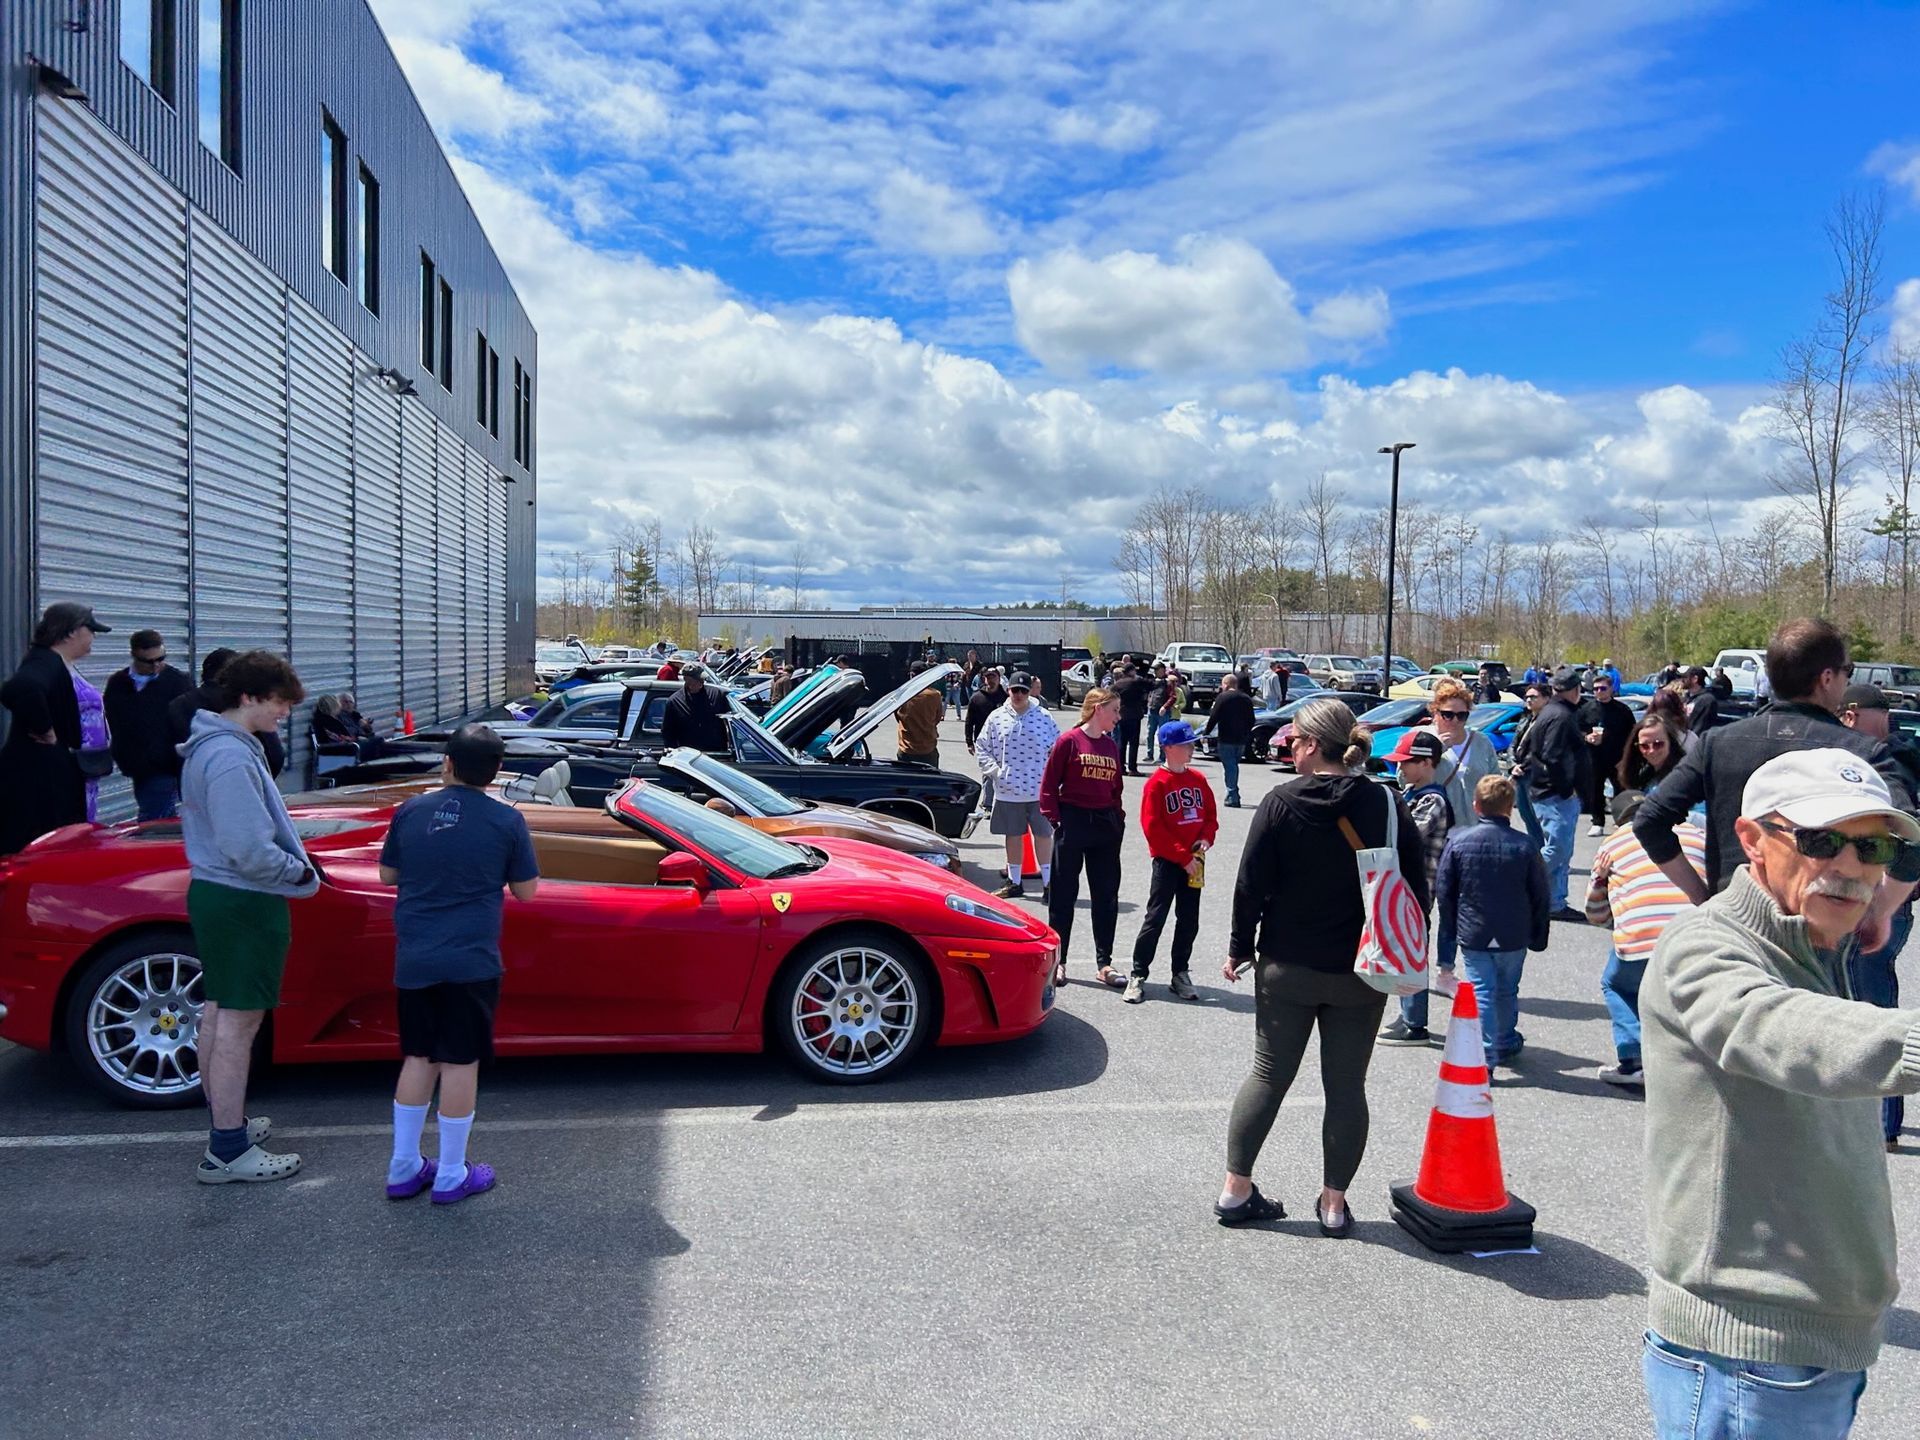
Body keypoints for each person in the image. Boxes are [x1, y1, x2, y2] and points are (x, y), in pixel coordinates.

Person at [1640, 749, 1920, 1437]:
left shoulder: (1817, 944)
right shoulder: (1706, 947)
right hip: (1748, 1352)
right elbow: (1774, 1027)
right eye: (1822, 841)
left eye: (1873, 848)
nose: (1851, 866)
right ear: (1751, 840)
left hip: (1812, 1342)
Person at [1215, 697, 1425, 1236]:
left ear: (1312, 744)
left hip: (1287, 964)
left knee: (1268, 1075)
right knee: (1347, 1086)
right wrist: (1408, 941)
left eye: (1294, 739)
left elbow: (1250, 885)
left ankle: (1235, 1191)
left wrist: (1239, 947)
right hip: (1362, 967)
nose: (1290, 747)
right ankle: (1334, 1205)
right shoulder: (1385, 801)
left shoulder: (1279, 802)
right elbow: (1416, 883)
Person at [1635, 619, 1920, 944]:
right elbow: (1912, 840)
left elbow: (1649, 820)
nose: (1847, 681)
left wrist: (1702, 897)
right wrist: (1879, 910)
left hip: (1738, 924)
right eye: (1848, 671)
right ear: (1827, 678)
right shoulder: (1863, 752)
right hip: (1825, 931)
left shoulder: (1717, 743)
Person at [378, 724, 539, 1206]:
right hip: (471, 960)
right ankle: (451, 1173)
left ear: (447, 763)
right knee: (460, 1061)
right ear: (496, 771)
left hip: (415, 956)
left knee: (419, 1057)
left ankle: (404, 1166)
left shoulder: (411, 811)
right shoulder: (507, 821)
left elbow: (388, 874)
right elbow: (527, 891)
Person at [180, 651, 318, 1184]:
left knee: (219, 1013)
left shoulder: (212, 746)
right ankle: (227, 1150)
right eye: (279, 702)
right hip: (243, 898)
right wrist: (298, 872)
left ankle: (227, 1122)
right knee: (240, 1023)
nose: (285, 712)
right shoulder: (231, 757)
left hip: (219, 893)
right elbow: (246, 847)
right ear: (248, 697)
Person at [1840, 682, 1917, 1151]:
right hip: (1883, 897)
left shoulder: (1885, 762)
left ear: (1854, 714)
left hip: (1880, 897)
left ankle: (1880, 1123)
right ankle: (1874, 1121)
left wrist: (1883, 905)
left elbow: (1908, 834)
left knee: (1868, 1007)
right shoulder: (1898, 754)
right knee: (1866, 1002)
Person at [1584, 789, 1704, 1086]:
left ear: (1618, 821)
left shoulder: (1614, 843)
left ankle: (1634, 1060)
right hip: (1699, 935)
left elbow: (1596, 913)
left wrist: (1607, 896)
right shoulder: (1695, 834)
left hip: (1642, 942)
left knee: (1617, 984)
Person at [1433, 775, 1550, 1071]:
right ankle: (1505, 1039)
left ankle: (1486, 1051)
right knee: (1507, 990)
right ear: (1510, 807)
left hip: (1474, 930)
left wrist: (1450, 928)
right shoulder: (1525, 845)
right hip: (1514, 932)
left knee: (1482, 990)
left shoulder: (1459, 842)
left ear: (1476, 806)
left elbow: (1445, 891)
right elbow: (1540, 894)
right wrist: (1539, 934)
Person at [0, 602, 108, 854]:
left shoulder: (58, 663)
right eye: (90, 630)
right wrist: (46, 730)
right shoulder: (45, 661)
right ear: (71, 632)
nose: (93, 637)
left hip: (60, 777)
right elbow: (21, 688)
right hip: (40, 785)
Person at [1040, 688, 1126, 989]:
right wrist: (1056, 819)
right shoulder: (1070, 741)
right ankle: (1059, 961)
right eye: (1114, 710)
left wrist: (1118, 820)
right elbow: (1049, 785)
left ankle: (1105, 963)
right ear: (1098, 709)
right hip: (1073, 821)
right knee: (1064, 895)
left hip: (1104, 824)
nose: (1118, 716)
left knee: (1106, 895)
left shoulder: (1111, 745)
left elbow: (1116, 788)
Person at [1125, 719, 1216, 1003]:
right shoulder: (1157, 784)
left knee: (1189, 920)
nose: (1191, 748)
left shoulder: (1198, 779)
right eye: (1186, 744)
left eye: (1191, 744)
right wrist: (1181, 856)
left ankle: (1180, 973)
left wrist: (1206, 838)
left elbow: (1210, 817)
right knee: (1156, 917)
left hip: (1194, 861)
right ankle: (1138, 974)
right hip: (1168, 862)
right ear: (1168, 748)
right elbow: (1153, 828)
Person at [1378, 729, 1458, 1047]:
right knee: (1401, 952)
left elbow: (1406, 836)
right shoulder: (1412, 792)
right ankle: (1407, 1013)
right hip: (1402, 887)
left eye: (1406, 762)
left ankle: (1415, 1024)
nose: (1400, 768)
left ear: (1426, 763)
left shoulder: (1432, 800)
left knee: (1411, 954)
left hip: (1416, 890)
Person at [975, 673, 1059, 908]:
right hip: (1008, 790)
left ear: (1030, 691)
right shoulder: (996, 717)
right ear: (1008, 690)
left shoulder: (1044, 717)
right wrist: (995, 772)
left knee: (1043, 835)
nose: (1019, 695)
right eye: (1015, 690)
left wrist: (1055, 779)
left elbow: (1058, 748)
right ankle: (1014, 881)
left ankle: (1049, 884)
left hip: (1038, 790)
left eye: (1024, 690)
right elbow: (982, 747)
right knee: (1013, 835)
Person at [104, 629, 193, 821]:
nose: (156, 666)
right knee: (160, 818)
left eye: (160, 659)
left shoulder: (177, 682)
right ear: (134, 656)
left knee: (154, 819)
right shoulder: (118, 683)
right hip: (137, 766)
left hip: (165, 766)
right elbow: (114, 720)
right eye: (149, 661)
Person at [1528, 668, 1591, 919]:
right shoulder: (1560, 716)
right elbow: (1551, 756)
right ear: (1575, 690)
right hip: (1553, 793)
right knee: (1557, 849)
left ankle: (1555, 903)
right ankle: (1518, 885)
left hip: (1550, 792)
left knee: (1562, 851)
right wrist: (1566, 788)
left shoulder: (1552, 712)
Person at [172, 649, 286, 778]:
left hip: (192, 777)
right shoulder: (244, 701)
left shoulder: (180, 704)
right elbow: (275, 753)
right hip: (244, 776)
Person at [1430, 676, 1499, 831]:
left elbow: (1495, 781)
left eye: (1462, 716)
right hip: (1436, 829)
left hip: (1476, 829)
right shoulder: (1422, 738)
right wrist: (1438, 748)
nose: (1455, 720)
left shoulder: (1481, 741)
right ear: (1435, 713)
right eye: (1448, 715)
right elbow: (1404, 779)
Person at [1578, 673, 1636, 837]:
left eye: (1603, 688)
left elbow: (1632, 734)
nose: (1599, 692)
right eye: (1595, 689)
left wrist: (1627, 757)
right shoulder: (1586, 709)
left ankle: (1621, 821)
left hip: (1617, 757)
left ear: (1611, 689)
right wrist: (1587, 737)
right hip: (1594, 757)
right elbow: (1576, 730)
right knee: (1595, 790)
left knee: (1621, 789)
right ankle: (1597, 822)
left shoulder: (1622, 710)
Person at [1200, 672, 1255, 807]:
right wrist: (1246, 733)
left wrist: (1206, 733)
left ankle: (1233, 795)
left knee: (1230, 766)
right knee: (1233, 765)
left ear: (1226, 684)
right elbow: (1252, 720)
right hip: (1241, 739)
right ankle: (1232, 792)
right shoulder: (1246, 698)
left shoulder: (1222, 698)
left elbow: (1214, 717)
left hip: (1226, 737)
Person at [1505, 682, 1547, 847]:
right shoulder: (1525, 719)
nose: (1529, 700)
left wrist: (1522, 767)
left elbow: (1541, 749)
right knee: (1525, 813)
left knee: (1537, 815)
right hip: (1519, 774)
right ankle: (1535, 847)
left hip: (1534, 774)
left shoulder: (1548, 721)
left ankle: (1542, 851)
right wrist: (1512, 764)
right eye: (1527, 697)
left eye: (1534, 697)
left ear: (1546, 698)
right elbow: (1513, 745)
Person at [659, 666, 729, 752]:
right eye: (697, 680)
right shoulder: (674, 701)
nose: (701, 682)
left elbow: (727, 721)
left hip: (716, 753)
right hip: (689, 754)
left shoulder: (716, 694)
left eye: (702, 680)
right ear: (686, 680)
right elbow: (668, 732)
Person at [1624, 714, 1686, 794]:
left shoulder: (1683, 776)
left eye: (1658, 744)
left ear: (1670, 742)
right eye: (1644, 746)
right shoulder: (1643, 776)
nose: (1652, 750)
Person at [895, 660, 943, 764]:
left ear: (912, 675)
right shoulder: (935, 695)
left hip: (907, 747)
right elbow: (938, 718)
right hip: (928, 747)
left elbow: (898, 717)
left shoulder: (903, 695)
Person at [1110, 662, 1153, 776]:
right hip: (1134, 715)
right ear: (1132, 671)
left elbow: (1109, 697)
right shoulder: (1136, 682)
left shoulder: (1117, 685)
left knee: (1122, 742)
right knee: (1133, 743)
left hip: (1121, 715)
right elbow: (1151, 685)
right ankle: (1132, 768)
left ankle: (1121, 768)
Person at [1144, 662, 1171, 762]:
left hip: (1162, 712)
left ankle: (1162, 756)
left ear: (1163, 670)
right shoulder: (1153, 682)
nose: (1155, 671)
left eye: (1157, 669)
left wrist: (1165, 707)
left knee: (1162, 734)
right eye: (1155, 670)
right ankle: (1149, 754)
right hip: (1152, 710)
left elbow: (1173, 697)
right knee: (1149, 733)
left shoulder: (1168, 682)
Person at [1682, 666, 1720, 734]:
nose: (1682, 680)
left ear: (1695, 679)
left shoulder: (1707, 700)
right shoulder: (1686, 697)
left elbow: (1700, 727)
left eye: (1685, 677)